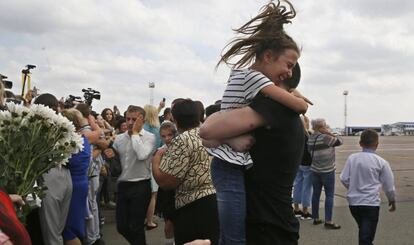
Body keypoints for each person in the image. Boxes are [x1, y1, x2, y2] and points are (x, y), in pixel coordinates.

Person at [201, 1, 309, 243]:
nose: (288, 72)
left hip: (266, 227)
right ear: (269, 56)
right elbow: (208, 132)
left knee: (231, 237)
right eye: (287, 65)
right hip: (277, 222)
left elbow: (207, 129)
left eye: (292, 68)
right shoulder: (272, 100)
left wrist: (223, 133)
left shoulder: (272, 106)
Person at [152, 99, 219, 245]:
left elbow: (167, 182)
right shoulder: (208, 134)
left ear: (175, 120)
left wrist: (156, 160)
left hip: (192, 207)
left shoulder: (182, 140)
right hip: (214, 201)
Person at [340, 129, 396, 245]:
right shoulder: (381, 162)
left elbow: (344, 178)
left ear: (360, 143)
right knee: (366, 237)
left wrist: (353, 188)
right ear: (377, 144)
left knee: (364, 232)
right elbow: (389, 185)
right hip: (371, 203)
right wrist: (392, 200)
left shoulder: (352, 158)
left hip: (354, 203)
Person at [111, 105, 156, 244]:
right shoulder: (119, 139)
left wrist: (135, 134)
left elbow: (142, 154)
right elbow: (115, 159)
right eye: (128, 119)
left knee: (136, 227)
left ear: (142, 120)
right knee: (122, 227)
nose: (130, 123)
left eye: (134, 119)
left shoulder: (150, 137)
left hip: (141, 185)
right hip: (123, 186)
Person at [34, 93, 73, 245]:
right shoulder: (63, 125)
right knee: (57, 230)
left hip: (50, 177)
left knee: (52, 233)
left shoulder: (39, 127)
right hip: (65, 175)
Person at [61, 108, 92, 245]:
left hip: (72, 185)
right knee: (74, 223)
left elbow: (70, 161)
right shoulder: (83, 139)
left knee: (69, 229)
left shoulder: (71, 142)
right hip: (81, 183)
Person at [307, 118, 343, 229]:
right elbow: (340, 141)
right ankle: (328, 221)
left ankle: (316, 218)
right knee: (330, 195)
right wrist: (329, 132)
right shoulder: (326, 138)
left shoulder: (310, 139)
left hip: (314, 170)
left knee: (316, 194)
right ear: (321, 127)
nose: (326, 127)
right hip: (327, 171)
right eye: (325, 125)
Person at [155, 122, 178, 245]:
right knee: (168, 222)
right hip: (166, 191)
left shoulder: (181, 149)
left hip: (180, 189)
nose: (167, 138)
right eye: (163, 136)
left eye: (169, 135)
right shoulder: (160, 151)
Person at [143, 104, 163, 231]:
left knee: (143, 193)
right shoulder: (158, 129)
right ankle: (149, 221)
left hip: (142, 162)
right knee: (153, 194)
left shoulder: (142, 128)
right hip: (154, 161)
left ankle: (142, 218)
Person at [292, 115, 313, 220]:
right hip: (307, 163)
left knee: (297, 185)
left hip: (297, 163)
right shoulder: (309, 135)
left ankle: (296, 209)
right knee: (307, 187)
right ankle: (305, 211)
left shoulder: (294, 134)